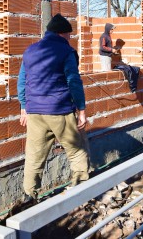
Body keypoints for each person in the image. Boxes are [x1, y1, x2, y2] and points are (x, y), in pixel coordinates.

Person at [18, 13, 90, 201]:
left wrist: (24, 107)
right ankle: (81, 191)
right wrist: (81, 110)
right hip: (60, 110)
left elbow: (22, 81)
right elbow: (74, 81)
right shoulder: (66, 51)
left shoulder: (30, 51)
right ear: (62, 34)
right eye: (68, 36)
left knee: (34, 157)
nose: (69, 39)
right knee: (76, 151)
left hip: (34, 113)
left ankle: (29, 198)